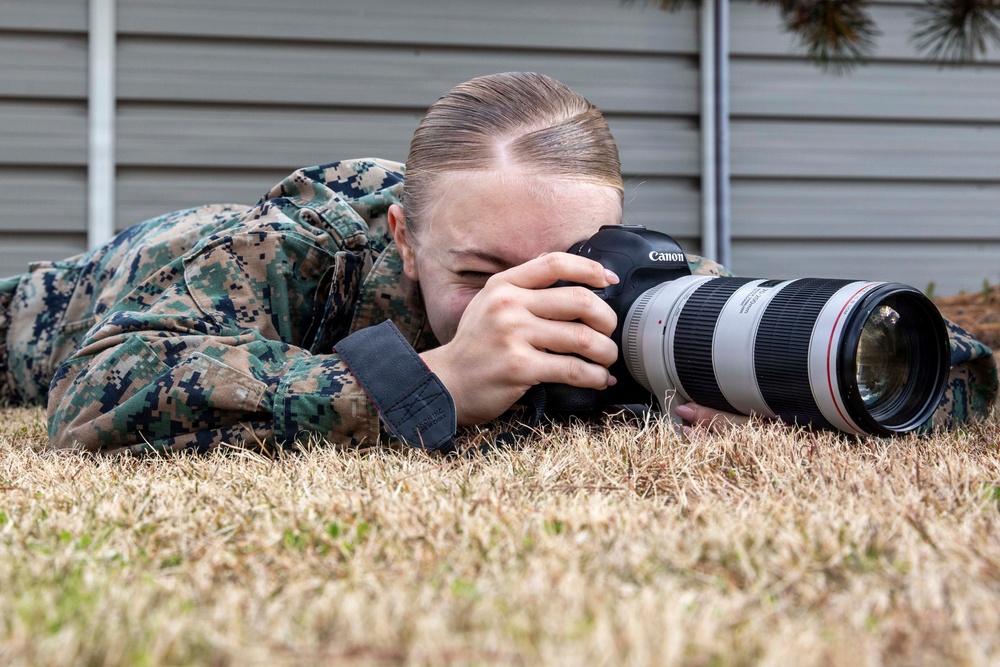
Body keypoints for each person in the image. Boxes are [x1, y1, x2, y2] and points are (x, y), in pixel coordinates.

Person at [0, 72, 995, 455]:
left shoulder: (623, 273)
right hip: (75, 301)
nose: (533, 295)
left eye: (570, 258)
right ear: (404, 241)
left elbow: (934, 366)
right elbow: (98, 399)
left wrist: (761, 380)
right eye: (481, 274)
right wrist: (423, 381)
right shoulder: (273, 254)